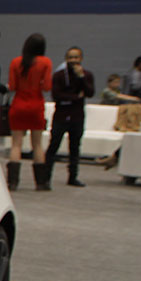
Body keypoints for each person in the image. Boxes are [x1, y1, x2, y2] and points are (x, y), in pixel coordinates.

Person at [6, 32, 53, 191]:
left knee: (16, 144)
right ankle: (41, 183)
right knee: (37, 144)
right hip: (36, 105)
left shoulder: (15, 62)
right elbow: (47, 87)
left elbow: (12, 86)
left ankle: (13, 182)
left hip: (18, 104)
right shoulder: (45, 62)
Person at [45, 46, 95, 188]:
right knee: (53, 145)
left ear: (81, 59)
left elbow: (90, 92)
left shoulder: (87, 75)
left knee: (75, 147)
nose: (73, 60)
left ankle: (73, 176)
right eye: (70, 57)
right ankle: (46, 177)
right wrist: (75, 97)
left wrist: (82, 78)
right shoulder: (59, 75)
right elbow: (56, 95)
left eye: (76, 57)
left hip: (77, 116)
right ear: (66, 59)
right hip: (61, 115)